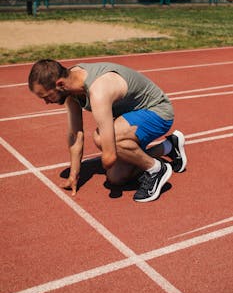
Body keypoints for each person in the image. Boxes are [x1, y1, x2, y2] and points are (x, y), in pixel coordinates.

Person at [28, 60, 187, 202]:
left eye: (46, 96)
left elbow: (109, 154)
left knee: (101, 138)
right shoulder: (70, 87)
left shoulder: (98, 91)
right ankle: (168, 147)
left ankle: (156, 169)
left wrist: (109, 159)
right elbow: (74, 134)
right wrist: (74, 175)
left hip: (158, 112)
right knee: (115, 178)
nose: (46, 102)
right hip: (130, 119)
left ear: (60, 84)